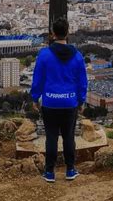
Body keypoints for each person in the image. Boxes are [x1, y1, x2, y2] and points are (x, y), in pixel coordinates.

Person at [30, 17, 88, 183]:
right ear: (67, 33)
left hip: (50, 102)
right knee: (69, 137)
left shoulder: (45, 55)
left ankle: (49, 172)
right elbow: (82, 81)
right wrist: (81, 100)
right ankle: (70, 169)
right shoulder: (77, 56)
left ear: (53, 34)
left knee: (51, 137)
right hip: (70, 102)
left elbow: (38, 78)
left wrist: (35, 98)